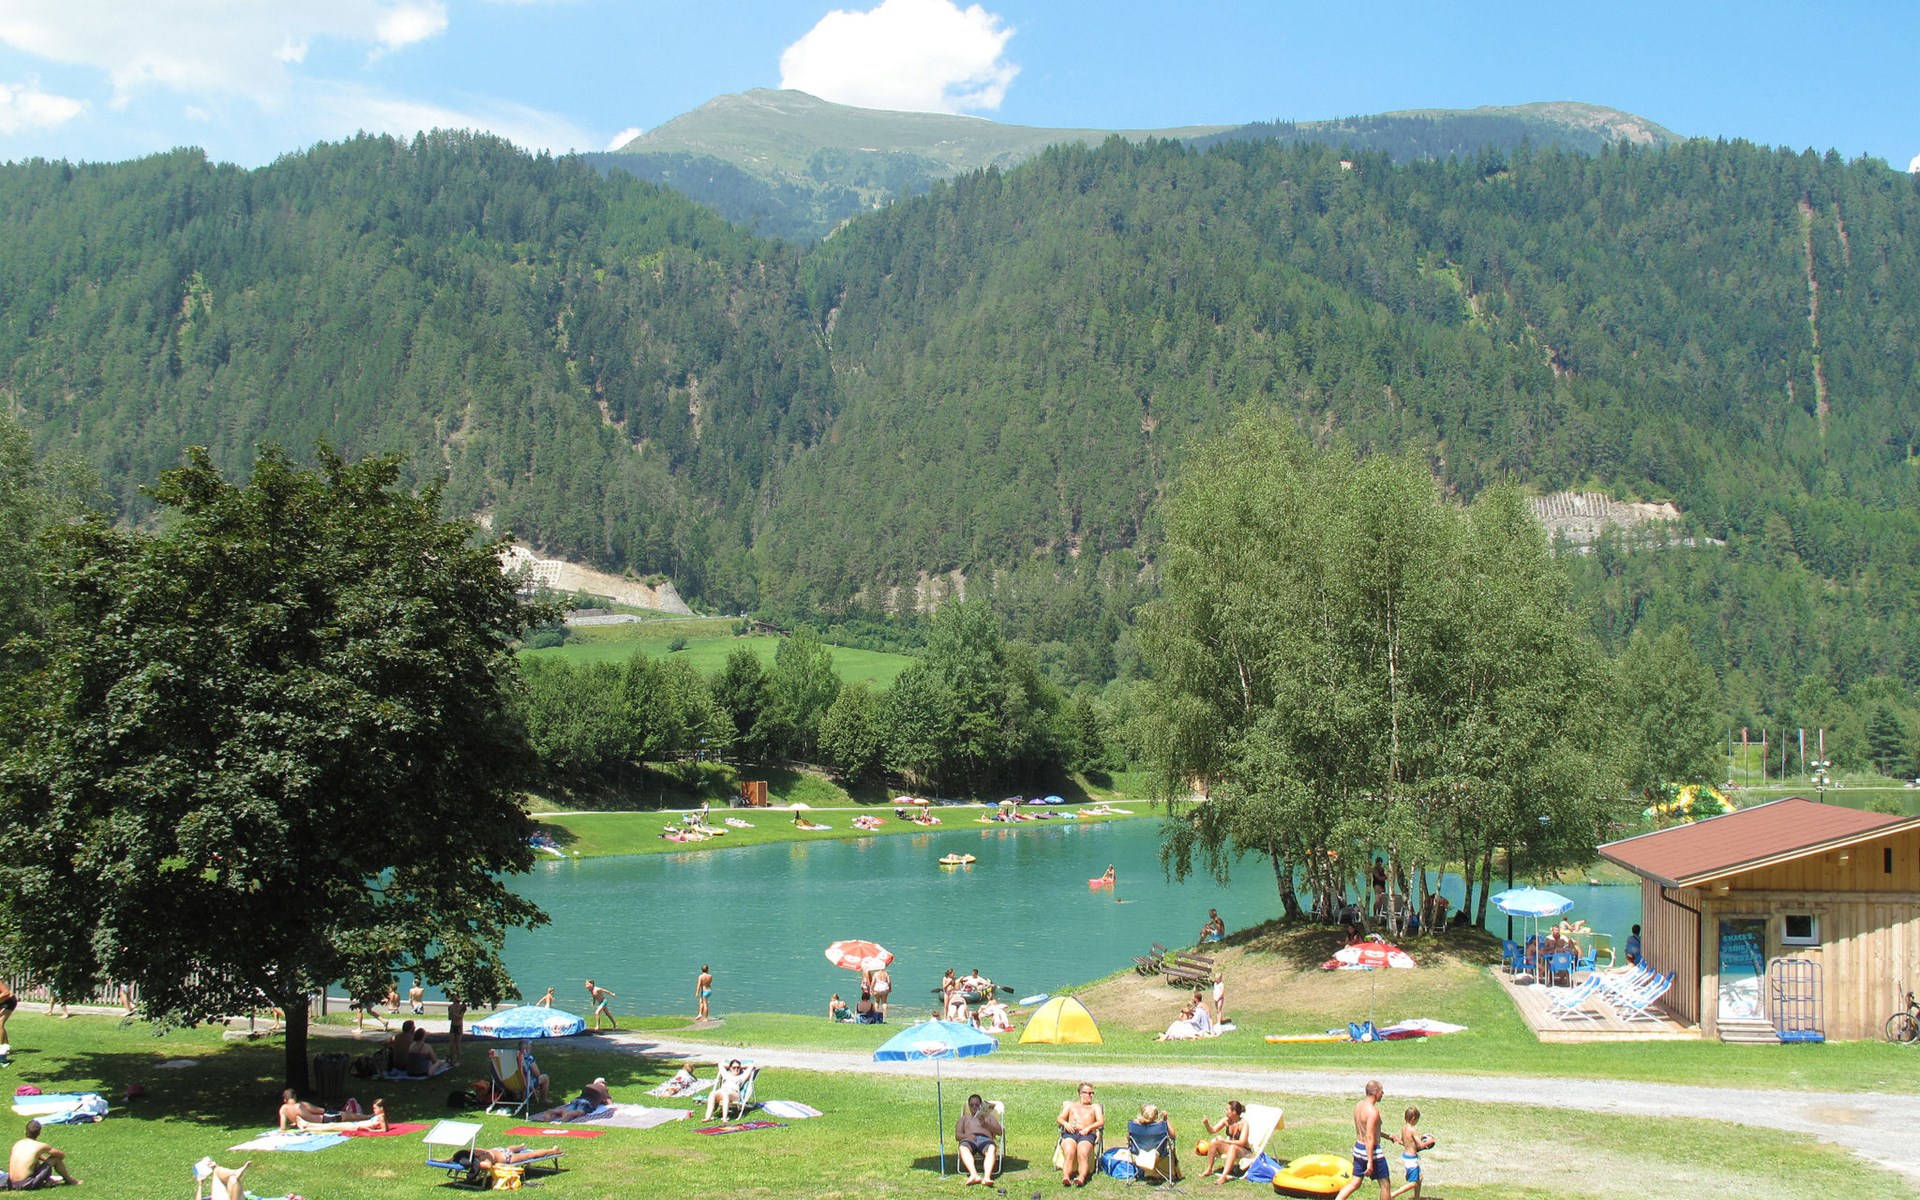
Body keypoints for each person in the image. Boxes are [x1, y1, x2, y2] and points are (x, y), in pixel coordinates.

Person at [1333, 1080, 1391, 1200]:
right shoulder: (1373, 1111)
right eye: (1381, 1091)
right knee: (1385, 1184)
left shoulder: (1359, 1105)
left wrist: (1388, 1136)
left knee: (1355, 1183)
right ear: (1375, 1092)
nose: (1383, 1093)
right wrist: (1370, 1161)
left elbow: (1367, 1130)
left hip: (1358, 1149)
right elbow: (1369, 1137)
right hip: (1371, 1151)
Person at [1056, 1082, 1104, 1187]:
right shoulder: (1071, 1105)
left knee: (1083, 1153)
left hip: (1087, 1135)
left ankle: (1081, 1178)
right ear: (1081, 1093)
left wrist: (1088, 1128)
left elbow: (1101, 1122)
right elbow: (1059, 1118)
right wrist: (1066, 1124)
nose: (1091, 1096)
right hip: (1071, 1133)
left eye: (1092, 1093)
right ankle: (1066, 1177)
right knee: (1069, 1151)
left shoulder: (1095, 1107)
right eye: (1089, 1093)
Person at [9, 1120, 78, 1188]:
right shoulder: (39, 1146)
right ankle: (70, 1181)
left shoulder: (17, 1144)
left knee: (35, 1161)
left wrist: (44, 1160)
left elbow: (28, 1157)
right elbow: (61, 1155)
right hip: (27, 1183)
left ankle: (48, 1180)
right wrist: (48, 1162)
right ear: (39, 1133)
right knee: (55, 1159)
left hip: (11, 1183)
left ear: (25, 1132)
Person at [955, 1093, 1003, 1186]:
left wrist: (986, 1124)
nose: (974, 1107)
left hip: (985, 1140)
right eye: (971, 1105)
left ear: (981, 1106)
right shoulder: (964, 1119)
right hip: (969, 1140)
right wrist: (966, 1136)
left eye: (976, 1105)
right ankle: (974, 1175)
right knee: (963, 1148)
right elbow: (957, 1135)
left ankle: (987, 1177)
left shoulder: (989, 1118)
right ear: (969, 1107)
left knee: (991, 1148)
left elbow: (999, 1132)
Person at [1200, 1099, 1249, 1183]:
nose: (1225, 1111)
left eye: (1227, 1109)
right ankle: (1209, 1169)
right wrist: (1206, 1123)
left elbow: (1242, 1142)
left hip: (1243, 1151)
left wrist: (1224, 1141)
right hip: (1231, 1148)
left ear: (1234, 1112)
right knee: (1214, 1142)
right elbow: (1212, 1131)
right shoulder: (1226, 1121)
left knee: (1233, 1147)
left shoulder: (1243, 1124)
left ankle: (1223, 1176)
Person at [1390, 1105, 1433, 1200]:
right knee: (1414, 1183)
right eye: (1417, 1119)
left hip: (1405, 1156)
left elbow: (1402, 1142)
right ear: (1413, 1118)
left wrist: (1397, 1139)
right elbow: (1421, 1145)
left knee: (1420, 1178)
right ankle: (1393, 1194)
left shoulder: (1404, 1128)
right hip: (1411, 1159)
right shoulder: (1413, 1130)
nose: (1417, 1121)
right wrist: (1430, 1141)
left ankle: (1416, 1198)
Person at [530, 1077, 612, 1123]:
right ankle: (569, 1115)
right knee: (580, 1112)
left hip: (577, 1100)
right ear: (603, 1083)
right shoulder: (603, 1088)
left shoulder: (588, 1086)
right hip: (587, 1102)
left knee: (568, 1108)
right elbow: (610, 1103)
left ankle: (552, 1111)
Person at [452, 1144, 561, 1169]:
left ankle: (553, 1151)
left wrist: (475, 1164)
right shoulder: (473, 1150)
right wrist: (449, 1160)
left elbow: (488, 1165)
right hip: (498, 1151)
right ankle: (520, 1146)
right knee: (509, 1149)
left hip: (506, 1157)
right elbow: (456, 1157)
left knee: (531, 1155)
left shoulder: (484, 1158)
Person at [517, 1041, 551, 1106]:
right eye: (530, 1048)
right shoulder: (528, 1058)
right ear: (525, 1049)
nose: (531, 1049)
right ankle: (544, 1099)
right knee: (545, 1077)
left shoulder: (514, 1057)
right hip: (527, 1083)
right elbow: (537, 1073)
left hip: (514, 1082)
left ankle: (523, 1096)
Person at [446, 994, 465, 1066]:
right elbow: (450, 1018)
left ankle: (458, 1059)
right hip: (453, 1025)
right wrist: (452, 1014)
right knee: (451, 1044)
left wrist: (455, 1014)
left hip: (458, 1026)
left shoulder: (462, 1007)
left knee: (457, 1044)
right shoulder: (450, 1007)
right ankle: (452, 1058)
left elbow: (461, 1017)